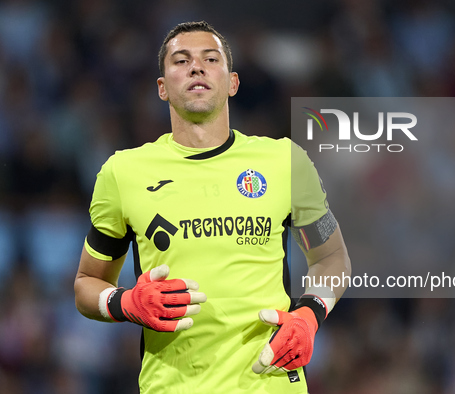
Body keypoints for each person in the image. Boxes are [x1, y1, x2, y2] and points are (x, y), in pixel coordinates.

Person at [74, 21, 351, 394]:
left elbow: (333, 258)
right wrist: (125, 302)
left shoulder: (285, 161)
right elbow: (87, 285)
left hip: (269, 383)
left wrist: (310, 313)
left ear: (232, 82)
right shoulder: (123, 173)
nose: (196, 67)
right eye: (181, 60)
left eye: (210, 58)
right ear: (162, 88)